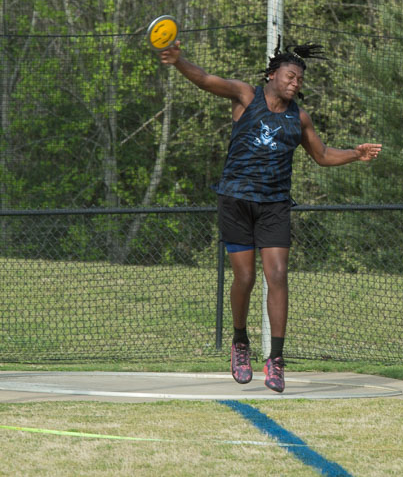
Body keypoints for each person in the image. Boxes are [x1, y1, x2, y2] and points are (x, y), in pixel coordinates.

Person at [159, 40, 382, 392]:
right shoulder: (246, 97)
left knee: (277, 274)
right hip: (235, 200)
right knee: (245, 277)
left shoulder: (299, 118)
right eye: (290, 76)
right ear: (273, 74)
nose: (295, 83)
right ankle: (240, 343)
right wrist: (178, 61)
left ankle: (276, 360)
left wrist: (355, 153)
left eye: (300, 80)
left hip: (275, 205)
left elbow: (322, 155)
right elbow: (203, 79)